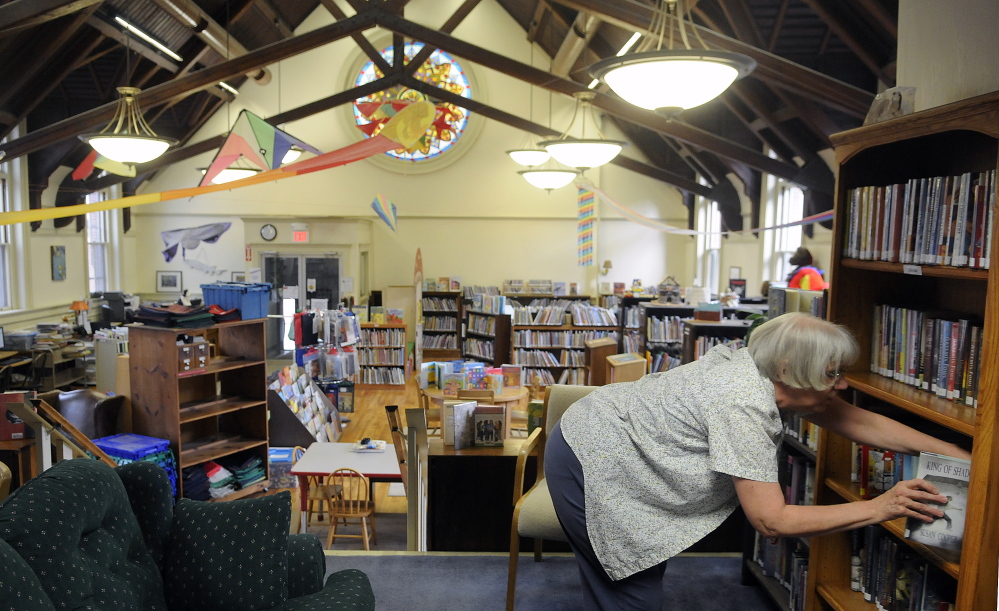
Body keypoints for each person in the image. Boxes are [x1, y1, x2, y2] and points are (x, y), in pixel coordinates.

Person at [545, 312, 971, 610]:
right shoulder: (743, 404)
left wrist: (950, 451)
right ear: (789, 370)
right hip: (589, 457)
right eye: (832, 373)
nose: (841, 384)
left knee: (630, 584)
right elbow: (771, 521)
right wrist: (883, 507)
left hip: (611, 439)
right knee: (630, 592)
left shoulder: (761, 368)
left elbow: (849, 418)